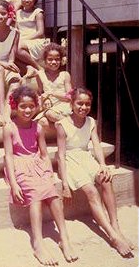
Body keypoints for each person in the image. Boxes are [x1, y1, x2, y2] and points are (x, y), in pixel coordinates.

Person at [56, 87, 134, 258]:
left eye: (87, 104)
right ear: (71, 103)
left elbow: (97, 144)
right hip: (71, 160)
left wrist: (103, 165)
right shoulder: (62, 125)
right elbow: (61, 155)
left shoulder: (91, 121)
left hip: (86, 157)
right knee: (91, 191)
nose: (83, 107)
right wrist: (64, 185)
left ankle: (116, 227)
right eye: (79, 103)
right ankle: (113, 237)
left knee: (106, 179)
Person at [4, 85, 78, 265]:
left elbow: (44, 153)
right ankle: (37, 242)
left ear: (36, 106)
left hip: (37, 164)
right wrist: (14, 184)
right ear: (15, 106)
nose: (27, 110)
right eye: (23, 106)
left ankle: (64, 238)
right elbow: (8, 156)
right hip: (19, 165)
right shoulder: (9, 128)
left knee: (52, 194)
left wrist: (49, 172)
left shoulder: (38, 127)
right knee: (36, 195)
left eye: (31, 106)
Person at [32, 43, 72, 129]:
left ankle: (72, 126)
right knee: (42, 122)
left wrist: (51, 93)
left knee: (50, 114)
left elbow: (70, 97)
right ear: (45, 60)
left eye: (57, 59)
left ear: (61, 60)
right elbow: (41, 92)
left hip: (63, 106)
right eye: (50, 59)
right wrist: (45, 99)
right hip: (49, 107)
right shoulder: (40, 75)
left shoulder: (64, 75)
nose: (53, 62)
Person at [15, 0, 50, 75]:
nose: (27, 0)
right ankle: (28, 68)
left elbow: (40, 32)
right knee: (9, 51)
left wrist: (24, 39)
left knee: (17, 48)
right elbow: (15, 29)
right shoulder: (18, 13)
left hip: (36, 40)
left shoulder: (37, 13)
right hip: (22, 41)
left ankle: (38, 67)